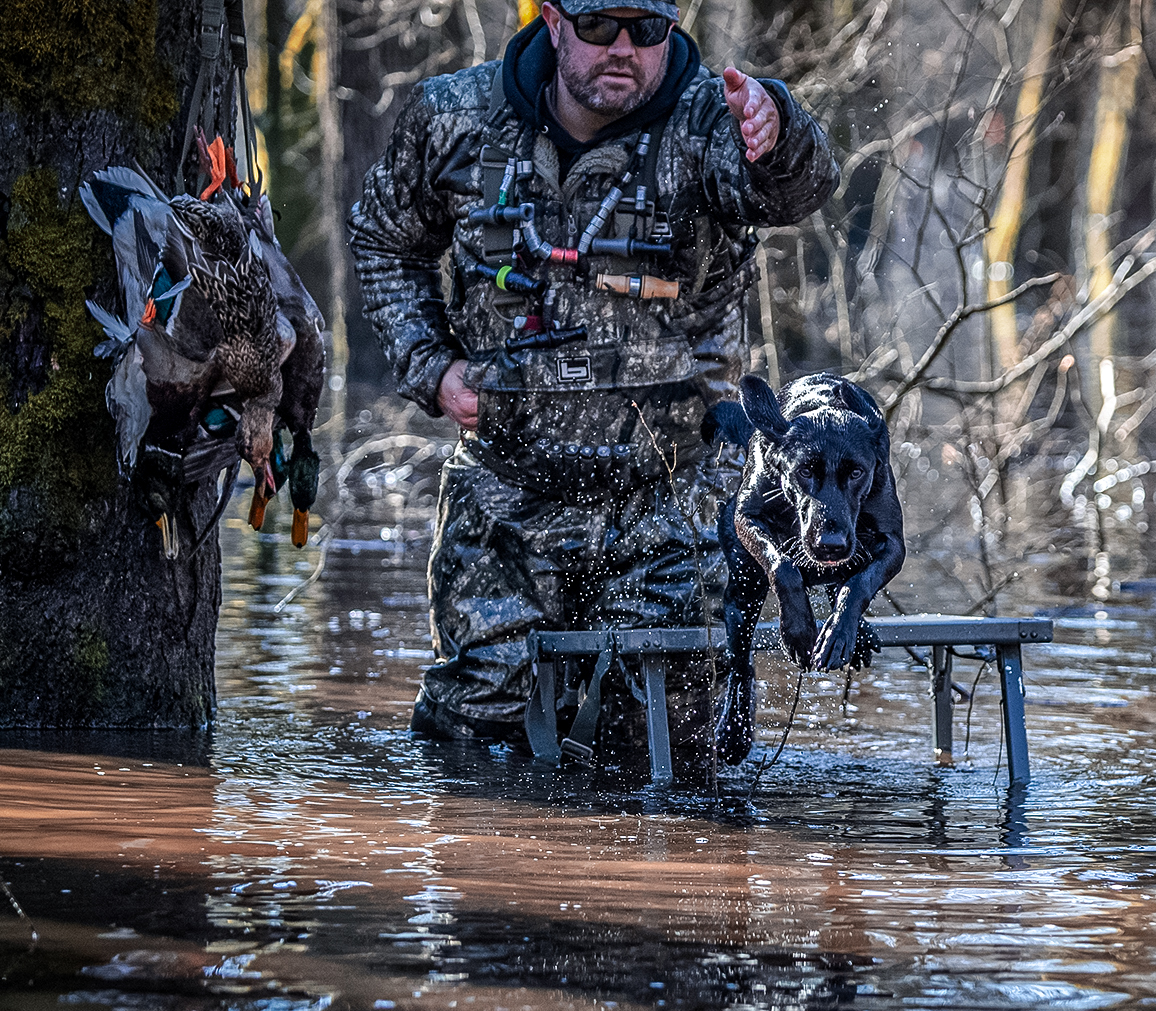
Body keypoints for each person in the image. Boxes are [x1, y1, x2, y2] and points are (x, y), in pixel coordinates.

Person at [349, 0, 837, 773]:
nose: (625, 49)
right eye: (600, 26)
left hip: (669, 499)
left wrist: (777, 130)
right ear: (552, 20)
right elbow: (382, 238)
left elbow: (794, 189)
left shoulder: (708, 121)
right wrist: (431, 367)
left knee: (664, 757)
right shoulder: (454, 116)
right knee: (470, 744)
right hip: (506, 498)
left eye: (647, 30)